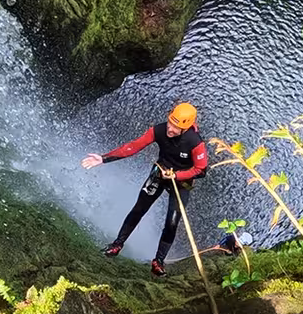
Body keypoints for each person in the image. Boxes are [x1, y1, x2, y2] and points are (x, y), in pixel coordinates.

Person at [81, 102, 208, 276]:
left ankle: (159, 261)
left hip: (180, 183)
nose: (170, 129)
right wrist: (104, 159)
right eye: (170, 123)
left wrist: (176, 176)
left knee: (172, 222)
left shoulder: (194, 142)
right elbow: (133, 146)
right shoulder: (159, 130)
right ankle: (117, 244)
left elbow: (201, 170)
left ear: (185, 128)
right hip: (159, 173)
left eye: (175, 127)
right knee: (139, 209)